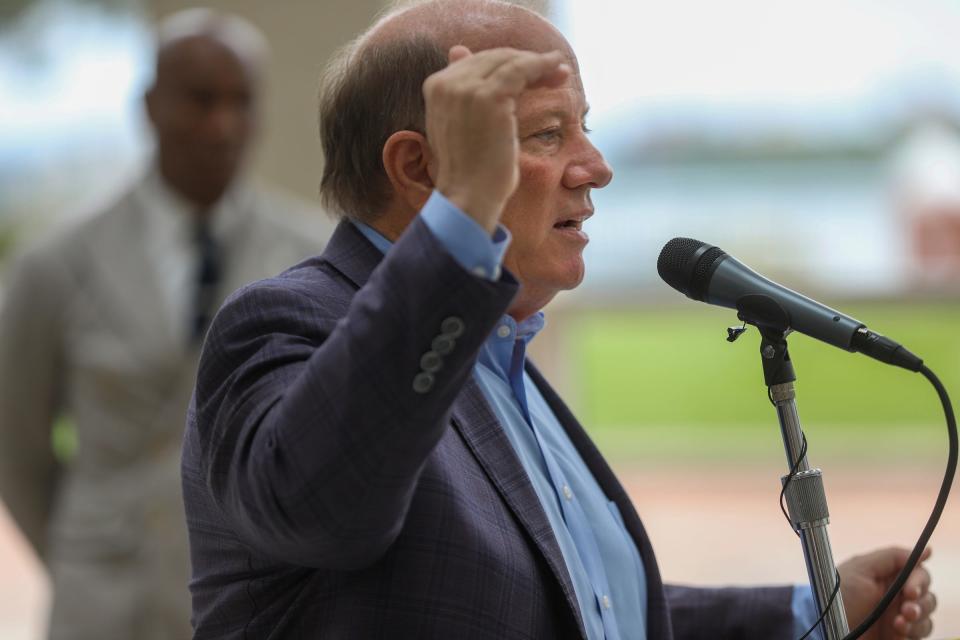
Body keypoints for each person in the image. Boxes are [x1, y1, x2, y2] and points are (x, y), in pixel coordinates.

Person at [182, 1, 938, 638]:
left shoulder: (496, 348)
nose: (596, 164)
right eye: (548, 134)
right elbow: (323, 510)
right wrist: (464, 214)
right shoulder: (283, 322)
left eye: (585, 126)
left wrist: (816, 609)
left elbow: (577, 604)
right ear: (418, 169)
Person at [0, 8, 327, 639]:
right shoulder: (59, 262)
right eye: (201, 100)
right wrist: (85, 554)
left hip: (261, 602)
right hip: (106, 605)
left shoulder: (309, 254)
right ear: (150, 106)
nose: (222, 125)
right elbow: (14, 439)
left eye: (241, 102)